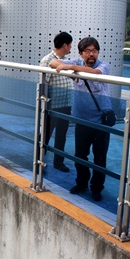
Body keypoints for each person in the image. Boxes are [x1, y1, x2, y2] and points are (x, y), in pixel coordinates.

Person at [50, 37, 111, 201]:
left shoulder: (103, 65)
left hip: (101, 120)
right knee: (80, 155)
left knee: (99, 158)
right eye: (88, 51)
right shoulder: (78, 61)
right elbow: (53, 63)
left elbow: (96, 73)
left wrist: (69, 67)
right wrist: (65, 66)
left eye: (94, 51)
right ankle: (82, 182)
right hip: (82, 119)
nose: (92, 55)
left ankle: (97, 188)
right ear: (81, 53)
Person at [39, 32, 74, 172]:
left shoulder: (65, 62)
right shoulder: (47, 61)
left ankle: (59, 162)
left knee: (62, 135)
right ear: (65, 45)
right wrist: (45, 106)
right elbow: (43, 85)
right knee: (46, 135)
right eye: (70, 45)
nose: (70, 47)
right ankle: (39, 160)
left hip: (65, 105)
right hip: (52, 106)